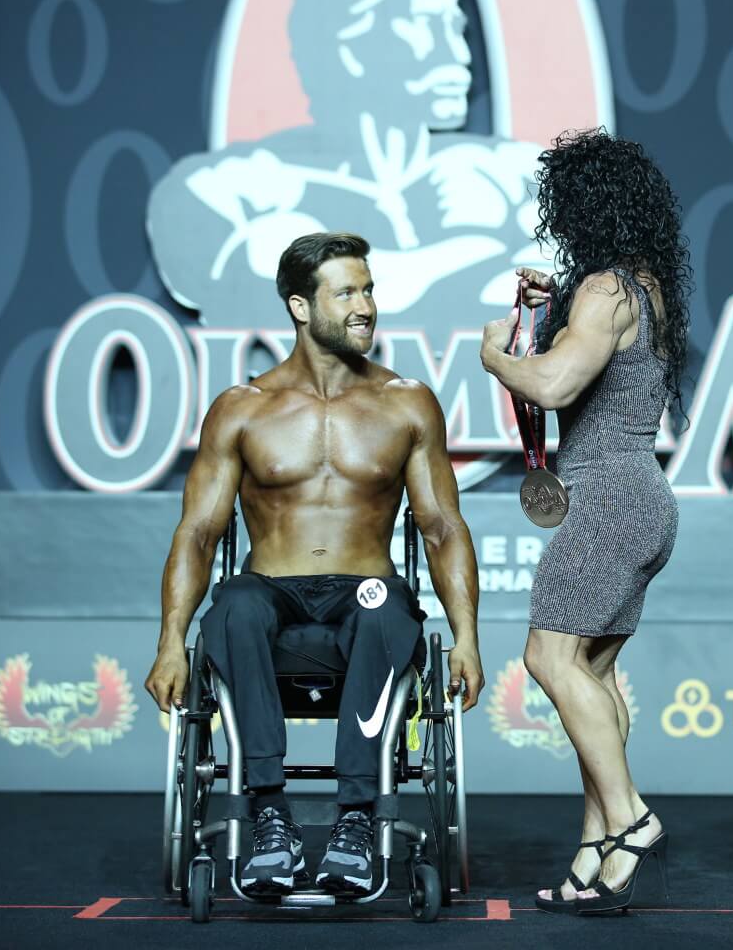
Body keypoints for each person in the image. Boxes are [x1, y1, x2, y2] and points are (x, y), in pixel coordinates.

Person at [144, 231, 484, 896]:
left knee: (385, 606)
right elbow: (199, 532)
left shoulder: (406, 403)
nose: (366, 306)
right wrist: (168, 643)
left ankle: (356, 820)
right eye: (347, 293)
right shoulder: (242, 409)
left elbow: (443, 526)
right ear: (301, 307)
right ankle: (270, 816)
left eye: (369, 290)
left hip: (367, 595)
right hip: (271, 593)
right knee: (236, 603)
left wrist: (467, 636)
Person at [478, 129, 692, 916]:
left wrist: (496, 356)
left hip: (608, 499)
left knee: (548, 657)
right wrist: (546, 312)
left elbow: (557, 385)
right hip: (641, 500)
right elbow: (585, 361)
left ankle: (631, 819)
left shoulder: (605, 289)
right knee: (590, 674)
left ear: (583, 208)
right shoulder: (641, 286)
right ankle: (596, 856)